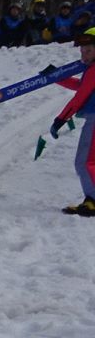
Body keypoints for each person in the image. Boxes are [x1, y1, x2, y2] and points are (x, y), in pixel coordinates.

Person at [48, 25, 95, 216]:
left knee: (83, 162)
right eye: (82, 50)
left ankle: (92, 201)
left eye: (89, 49)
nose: (84, 53)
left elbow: (80, 98)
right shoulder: (91, 69)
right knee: (89, 161)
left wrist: (60, 119)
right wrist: (56, 77)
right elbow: (82, 86)